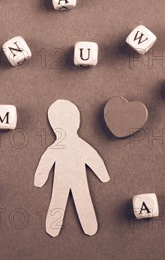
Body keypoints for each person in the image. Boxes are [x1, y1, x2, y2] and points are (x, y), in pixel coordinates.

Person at [34, 99, 110, 237]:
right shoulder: (79, 145)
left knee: (62, 201)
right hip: (70, 180)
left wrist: (40, 179)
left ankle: (58, 228)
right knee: (78, 200)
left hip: (67, 180)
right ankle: (88, 227)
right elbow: (94, 159)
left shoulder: (57, 148)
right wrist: (103, 176)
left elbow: (45, 162)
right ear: (77, 122)